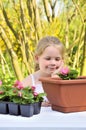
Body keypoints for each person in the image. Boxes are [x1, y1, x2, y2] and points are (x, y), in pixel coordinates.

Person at [22, 36, 65, 106]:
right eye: (48, 59)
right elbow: (16, 102)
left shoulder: (66, 81)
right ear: (37, 58)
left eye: (57, 59)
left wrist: (55, 79)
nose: (53, 63)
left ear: (62, 60)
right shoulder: (29, 82)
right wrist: (37, 104)